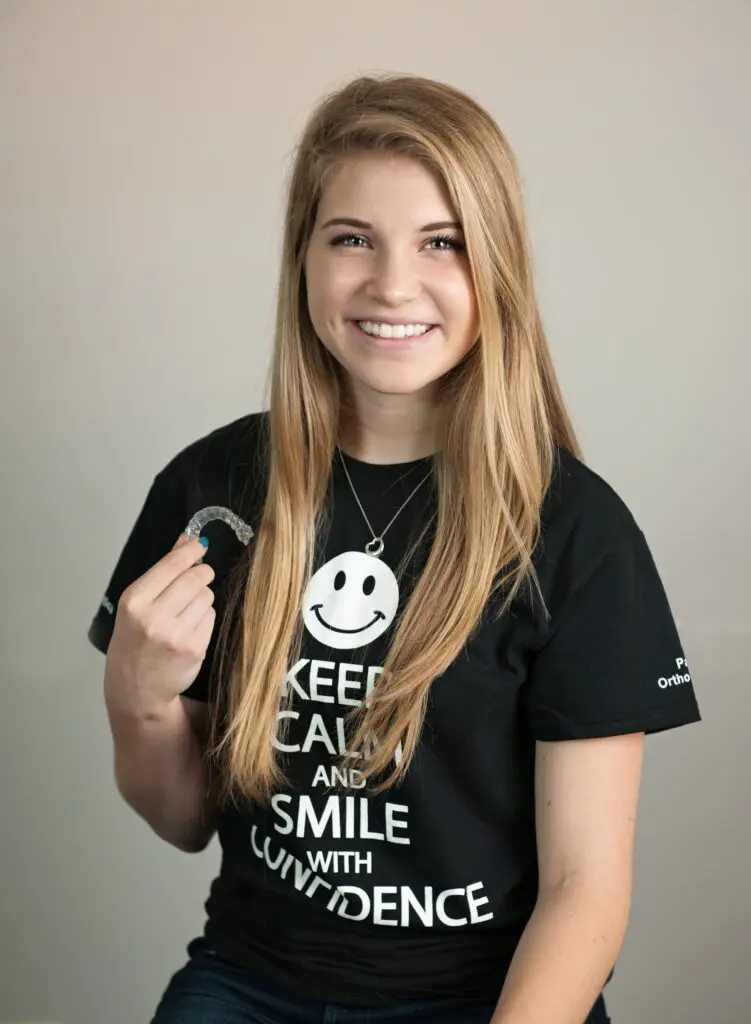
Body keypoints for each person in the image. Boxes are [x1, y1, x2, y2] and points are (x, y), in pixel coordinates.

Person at [87, 73, 701, 1024]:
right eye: (351, 239)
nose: (391, 284)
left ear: (493, 267)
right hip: (253, 981)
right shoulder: (209, 494)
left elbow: (586, 893)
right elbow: (182, 819)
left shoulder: (576, 534)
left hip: (486, 998)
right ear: (304, 258)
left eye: (441, 243)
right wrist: (138, 699)